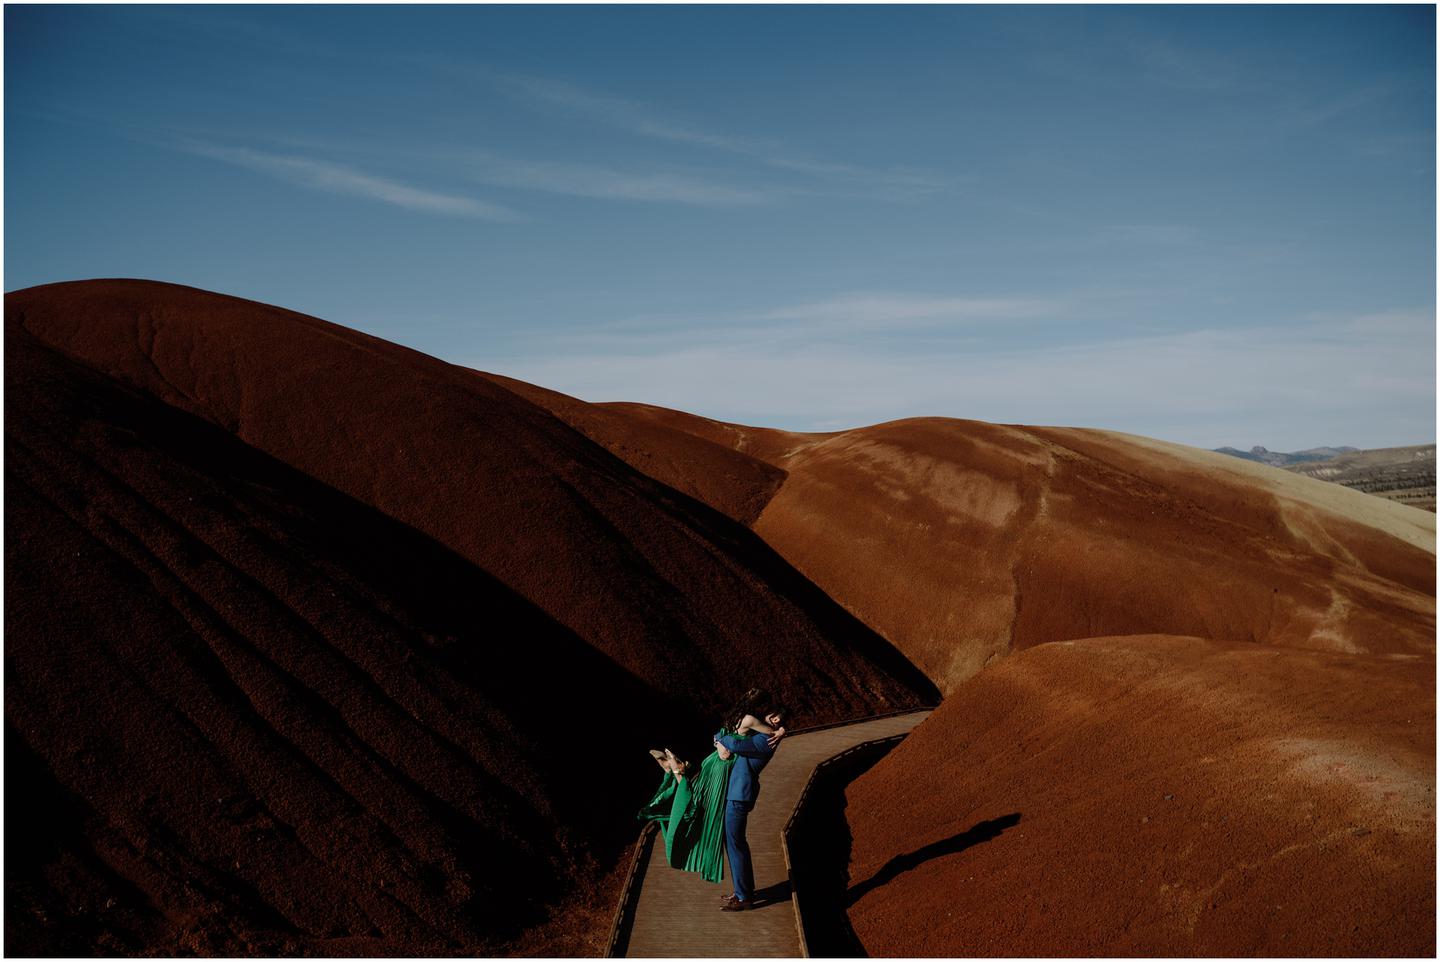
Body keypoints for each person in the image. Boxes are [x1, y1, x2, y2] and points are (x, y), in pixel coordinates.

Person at [637, 689, 785, 886]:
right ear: (761, 706)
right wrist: (783, 730)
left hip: (714, 760)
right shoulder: (751, 719)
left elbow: (723, 734)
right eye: (771, 711)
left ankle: (678, 770)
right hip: (722, 767)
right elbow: (771, 734)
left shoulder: (737, 715)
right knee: (705, 803)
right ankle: (677, 769)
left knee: (700, 793)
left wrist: (719, 741)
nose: (773, 717)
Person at [714, 698, 787, 912]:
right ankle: (741, 890)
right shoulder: (760, 734)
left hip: (740, 795)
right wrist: (719, 740)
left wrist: (720, 739)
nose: (775, 721)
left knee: (736, 844)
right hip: (736, 793)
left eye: (780, 720)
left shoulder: (766, 741)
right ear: (766, 714)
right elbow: (727, 735)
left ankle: (745, 896)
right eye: (774, 716)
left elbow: (734, 743)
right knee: (733, 843)